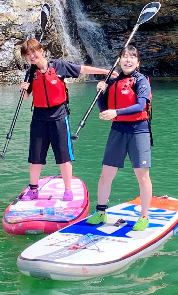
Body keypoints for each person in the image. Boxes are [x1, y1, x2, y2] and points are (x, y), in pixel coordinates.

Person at [18, 38, 110, 201]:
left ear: (42, 50)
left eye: (34, 52)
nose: (32, 56)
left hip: (59, 116)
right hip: (39, 117)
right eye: (28, 54)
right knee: (35, 156)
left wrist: (104, 72)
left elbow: (81, 69)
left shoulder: (58, 65)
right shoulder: (30, 73)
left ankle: (68, 190)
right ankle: (33, 190)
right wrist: (23, 89)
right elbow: (25, 97)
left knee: (64, 155)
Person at [86, 45, 154, 231]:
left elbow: (140, 106)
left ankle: (144, 216)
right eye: (124, 56)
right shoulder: (113, 82)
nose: (128, 60)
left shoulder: (141, 81)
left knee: (142, 176)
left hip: (138, 130)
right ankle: (101, 212)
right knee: (106, 174)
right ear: (119, 61)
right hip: (117, 130)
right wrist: (100, 92)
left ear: (137, 62)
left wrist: (116, 111)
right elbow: (103, 110)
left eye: (132, 57)